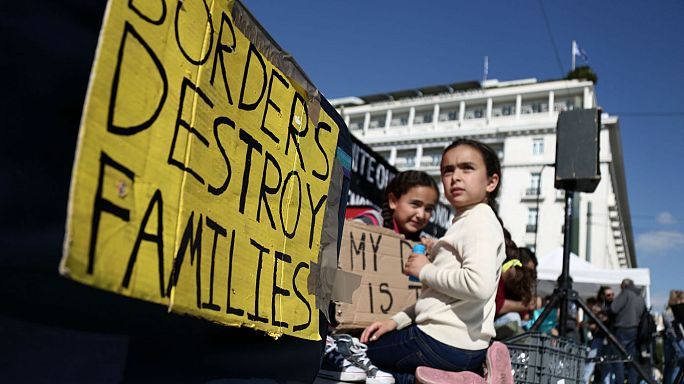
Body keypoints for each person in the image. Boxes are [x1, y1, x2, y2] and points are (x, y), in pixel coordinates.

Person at [358, 138, 510, 384]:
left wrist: (425, 270)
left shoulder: (479, 222)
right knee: (404, 374)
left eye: (467, 168)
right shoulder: (469, 222)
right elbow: (437, 300)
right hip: (467, 351)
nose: (455, 177)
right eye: (448, 170)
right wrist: (394, 321)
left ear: (491, 182)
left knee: (357, 353)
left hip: (438, 341)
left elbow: (478, 285)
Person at [320, 170, 440, 384]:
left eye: (429, 209)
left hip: (381, 333)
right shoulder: (370, 221)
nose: (422, 214)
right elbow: (345, 253)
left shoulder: (422, 244)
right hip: (346, 332)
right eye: (415, 204)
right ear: (393, 201)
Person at [610, 278, 647, 384]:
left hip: (622, 329)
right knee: (632, 361)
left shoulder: (626, 293)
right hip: (635, 331)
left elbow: (613, 308)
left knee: (618, 359)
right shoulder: (640, 296)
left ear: (624, 286)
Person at [663, 290, 684, 384]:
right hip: (675, 339)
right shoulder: (670, 313)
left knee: (674, 365)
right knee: (677, 364)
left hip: (674, 339)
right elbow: (673, 330)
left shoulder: (668, 312)